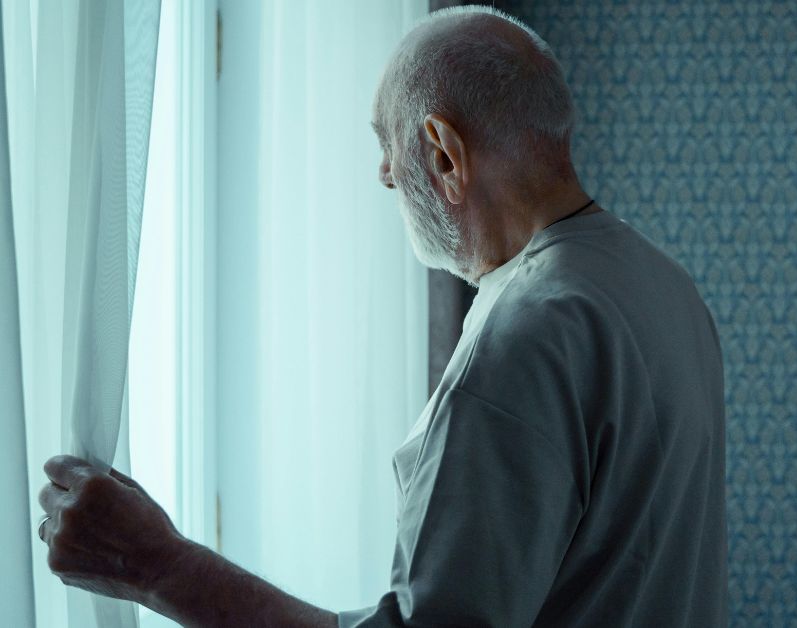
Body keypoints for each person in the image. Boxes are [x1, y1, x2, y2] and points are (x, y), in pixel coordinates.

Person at [37, 7, 727, 627]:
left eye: (387, 143)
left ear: (445, 153)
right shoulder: (666, 289)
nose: (385, 175)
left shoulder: (524, 336)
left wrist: (157, 566)